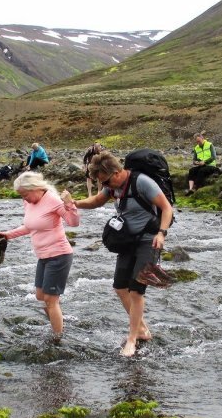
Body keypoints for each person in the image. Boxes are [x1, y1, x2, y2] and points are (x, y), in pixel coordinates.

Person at [71, 152, 173, 357]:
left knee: (136, 290)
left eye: (107, 181)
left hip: (149, 240)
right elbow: (95, 202)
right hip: (128, 240)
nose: (106, 186)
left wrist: (161, 234)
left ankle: (133, 339)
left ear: (117, 172)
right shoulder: (112, 186)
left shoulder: (142, 182)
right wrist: (73, 203)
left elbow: (166, 208)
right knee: (120, 287)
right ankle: (142, 329)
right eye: (103, 183)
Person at [0, 171, 79, 341]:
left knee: (50, 299)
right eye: (21, 196)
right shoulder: (29, 203)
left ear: (35, 188)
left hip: (59, 255)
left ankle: (57, 338)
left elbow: (73, 222)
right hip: (43, 256)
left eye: (25, 194)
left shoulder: (53, 200)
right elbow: (30, 226)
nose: (24, 199)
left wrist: (69, 204)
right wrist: (7, 235)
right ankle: (58, 321)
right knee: (40, 296)